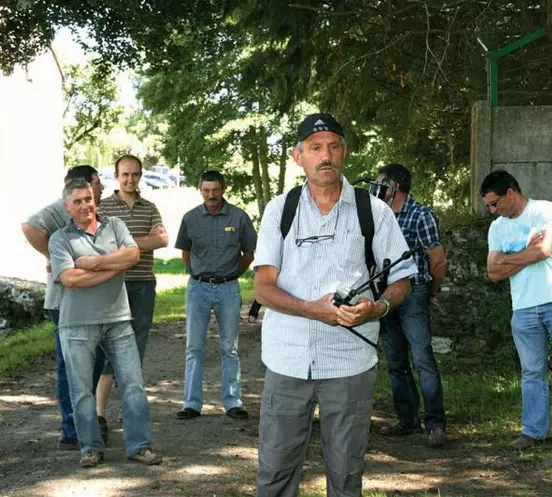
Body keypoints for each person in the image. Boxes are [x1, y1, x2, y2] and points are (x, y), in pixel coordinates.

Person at [253, 113, 417, 496]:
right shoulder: (280, 209)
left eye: (333, 146)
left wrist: (378, 308)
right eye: (314, 148)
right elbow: (263, 288)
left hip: (349, 360)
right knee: (275, 471)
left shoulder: (373, 211)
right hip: (287, 358)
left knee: (346, 474)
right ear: (298, 156)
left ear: (344, 152)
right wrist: (314, 309)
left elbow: (403, 279)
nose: (324, 155)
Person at [49, 178, 162, 467]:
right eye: (78, 201)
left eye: (88, 198)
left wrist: (93, 262)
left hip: (118, 320)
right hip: (76, 325)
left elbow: (133, 254)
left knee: (133, 383)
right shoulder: (59, 238)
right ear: (67, 206)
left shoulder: (115, 226)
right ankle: (90, 447)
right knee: (81, 389)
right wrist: (113, 268)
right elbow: (69, 278)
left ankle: (139, 445)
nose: (86, 205)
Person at [482, 170, 552, 448]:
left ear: (511, 193)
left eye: (494, 203)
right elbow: (492, 271)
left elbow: (543, 251)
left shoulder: (544, 210)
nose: (492, 210)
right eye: (489, 205)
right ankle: (534, 430)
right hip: (524, 306)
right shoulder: (497, 227)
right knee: (531, 370)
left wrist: (509, 259)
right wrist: (526, 254)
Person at [21, 165, 106, 449]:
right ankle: (72, 430)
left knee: (92, 364)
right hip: (64, 302)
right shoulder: (60, 208)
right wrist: (55, 256)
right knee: (71, 366)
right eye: (98, 183)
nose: (102, 188)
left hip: (92, 301)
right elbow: (29, 226)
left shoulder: (95, 213)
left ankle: (86, 423)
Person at [95, 154, 168, 440]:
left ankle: (130, 413)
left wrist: (123, 247)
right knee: (107, 348)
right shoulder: (103, 207)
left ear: (140, 176)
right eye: (125, 174)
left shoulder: (149, 208)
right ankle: (100, 414)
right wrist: (139, 245)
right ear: (116, 176)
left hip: (143, 285)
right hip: (112, 286)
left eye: (135, 174)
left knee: (136, 350)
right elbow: (98, 246)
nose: (130, 179)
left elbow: (162, 240)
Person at [174, 170, 257, 421]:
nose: (211, 195)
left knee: (229, 347)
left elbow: (249, 253)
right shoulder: (190, 218)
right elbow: (185, 253)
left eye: (215, 190)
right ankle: (191, 403)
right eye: (206, 190)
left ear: (223, 189)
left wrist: (233, 274)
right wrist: (195, 274)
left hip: (228, 288)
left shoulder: (239, 217)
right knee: (194, 347)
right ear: (200, 190)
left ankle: (233, 402)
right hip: (198, 288)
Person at [375, 163, 448, 446]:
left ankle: (436, 424)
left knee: (422, 357)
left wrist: (431, 291)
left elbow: (437, 259)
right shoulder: (378, 215)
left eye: (381, 182)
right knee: (395, 360)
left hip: (414, 290)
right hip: (385, 293)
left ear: (394, 186)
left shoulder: (420, 215)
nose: (377, 188)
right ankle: (407, 420)